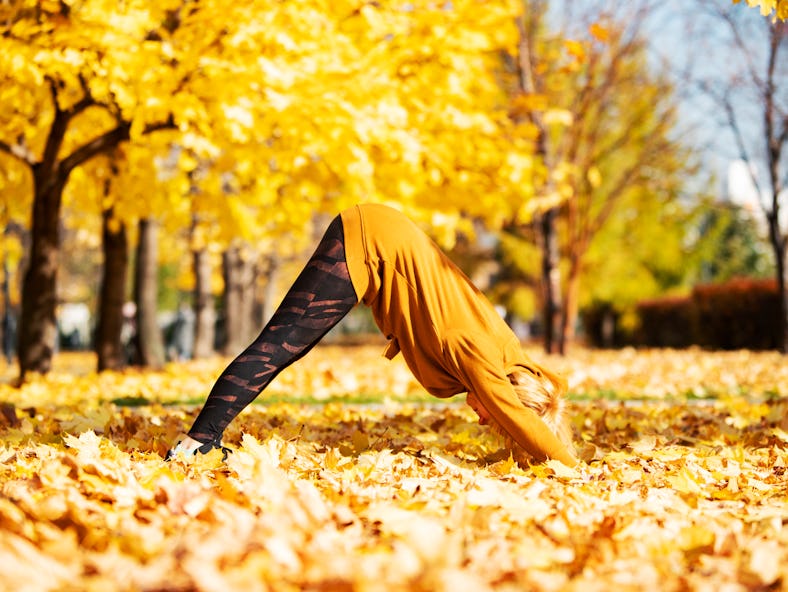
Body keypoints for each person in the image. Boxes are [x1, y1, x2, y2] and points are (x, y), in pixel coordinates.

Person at [167, 203, 579, 468]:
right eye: (495, 415)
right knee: (282, 342)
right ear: (511, 395)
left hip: (380, 236)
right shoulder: (484, 356)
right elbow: (519, 417)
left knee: (290, 344)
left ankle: (202, 439)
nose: (485, 416)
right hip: (372, 242)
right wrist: (571, 467)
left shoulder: (502, 349)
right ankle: (196, 442)